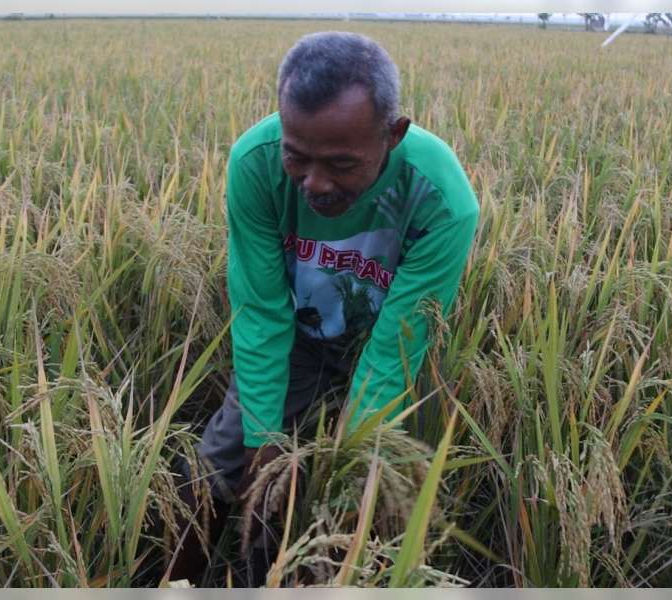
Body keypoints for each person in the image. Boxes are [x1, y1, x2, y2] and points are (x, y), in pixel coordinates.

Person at [168, 30, 479, 586]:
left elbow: (396, 345)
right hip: (300, 335)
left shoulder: (441, 198)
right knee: (221, 464)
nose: (315, 183)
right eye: (298, 156)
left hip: (384, 337)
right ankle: (175, 582)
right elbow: (262, 311)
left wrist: (348, 456)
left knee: (375, 493)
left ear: (392, 135)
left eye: (340, 164)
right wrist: (263, 439)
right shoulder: (255, 163)